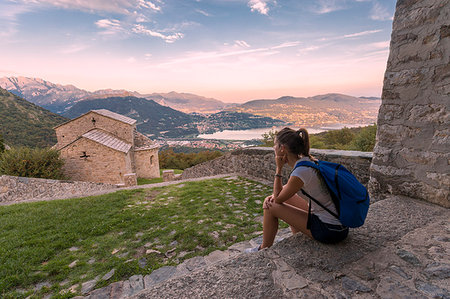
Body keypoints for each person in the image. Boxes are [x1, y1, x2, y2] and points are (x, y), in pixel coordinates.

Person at [245, 127, 348, 252]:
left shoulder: (300, 172)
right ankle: (299, 236)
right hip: (340, 225)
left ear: (282, 148)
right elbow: (284, 192)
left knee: (270, 205)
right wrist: (274, 195)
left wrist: (278, 169)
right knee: (281, 197)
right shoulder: (309, 162)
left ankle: (263, 248)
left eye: (275, 145)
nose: (273, 148)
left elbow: (278, 199)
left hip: (330, 230)